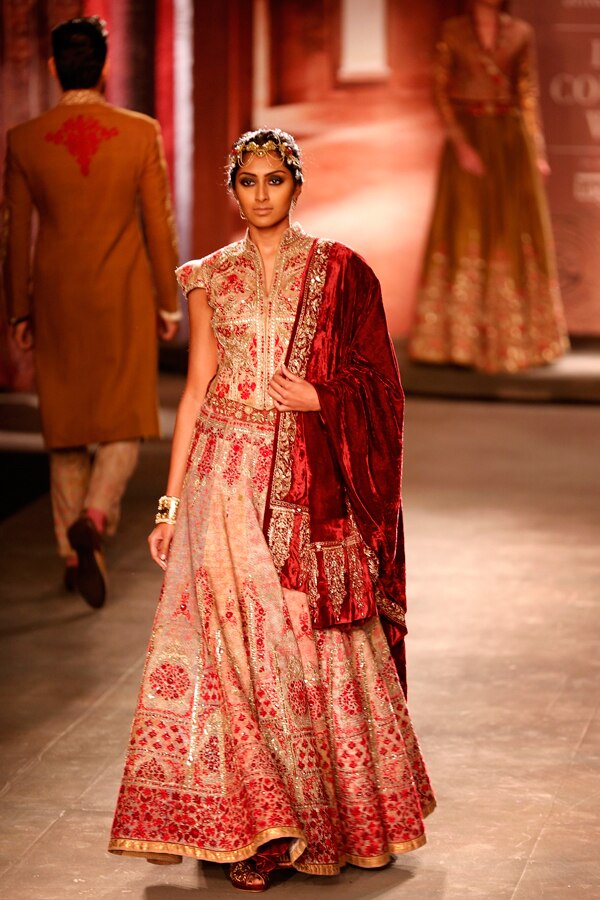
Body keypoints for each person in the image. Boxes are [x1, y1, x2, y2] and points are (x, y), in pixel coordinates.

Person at [108, 128, 434, 892]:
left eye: (273, 180)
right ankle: (254, 828)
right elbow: (195, 391)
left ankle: (320, 822)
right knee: (228, 658)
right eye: (247, 181)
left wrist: (324, 398)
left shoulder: (339, 271)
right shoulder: (209, 276)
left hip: (299, 487)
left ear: (296, 185)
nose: (260, 194)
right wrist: (167, 503)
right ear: (233, 189)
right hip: (221, 480)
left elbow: (382, 383)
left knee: (295, 649)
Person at [3, 17, 180, 608]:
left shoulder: (26, 139)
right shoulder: (139, 132)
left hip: (56, 297)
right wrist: (166, 300)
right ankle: (98, 515)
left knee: (67, 432)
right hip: (123, 294)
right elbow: (158, 224)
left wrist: (18, 310)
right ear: (103, 66)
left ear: (54, 68)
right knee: (125, 421)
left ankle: (72, 551)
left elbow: (15, 234)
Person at [408, 0, 569, 373]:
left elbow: (527, 92)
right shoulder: (453, 33)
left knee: (511, 231)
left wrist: (537, 150)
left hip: (510, 141)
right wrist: (461, 144)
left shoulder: (520, 33)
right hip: (469, 135)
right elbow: (440, 90)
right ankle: (455, 341)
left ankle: (517, 339)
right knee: (465, 227)